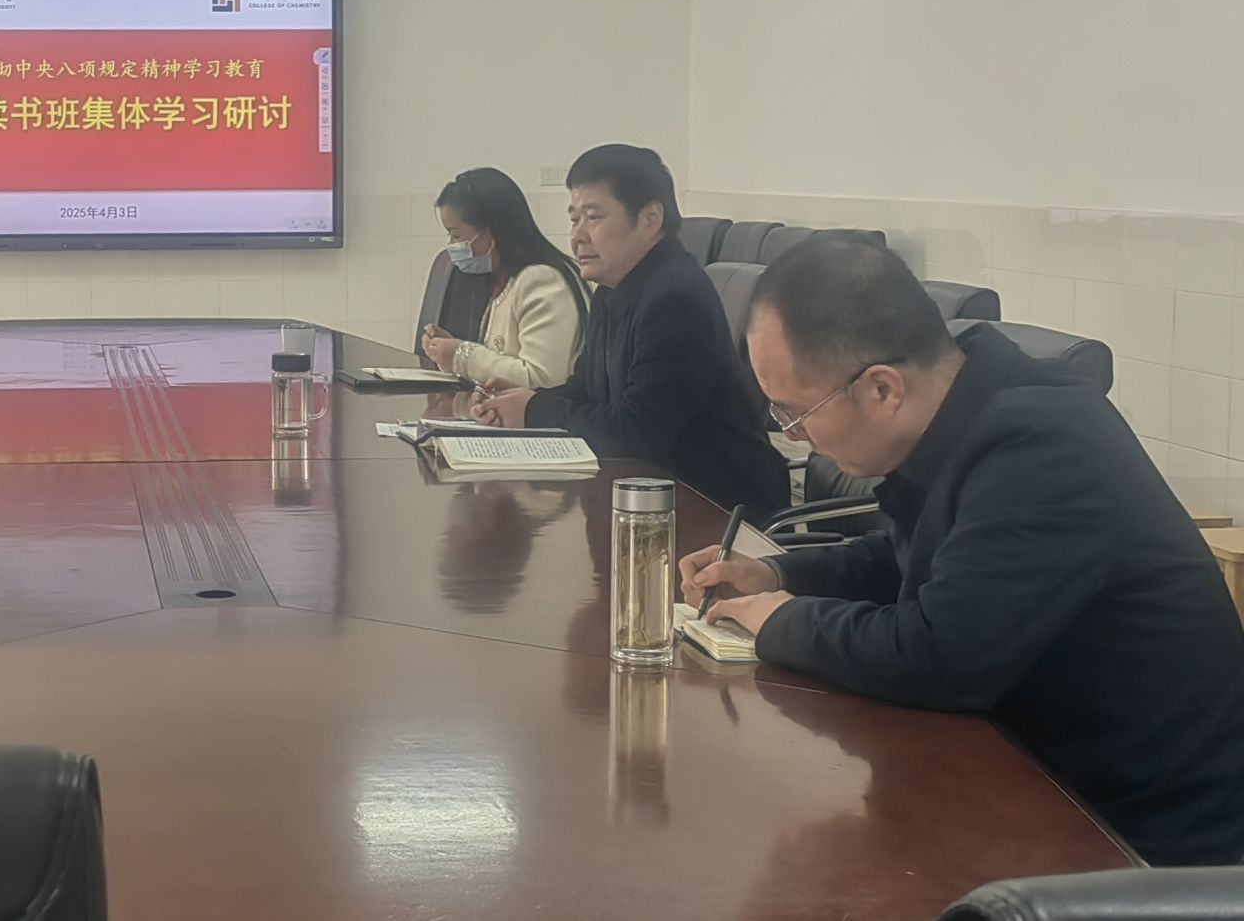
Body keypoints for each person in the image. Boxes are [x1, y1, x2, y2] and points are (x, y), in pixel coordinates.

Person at [681, 236, 1244, 866]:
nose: (796, 435)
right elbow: (916, 557)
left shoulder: (1040, 446)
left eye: (794, 414)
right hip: (1036, 783)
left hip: (1143, 841)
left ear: (882, 389)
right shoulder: (968, 403)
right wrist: (777, 572)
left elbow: (937, 657)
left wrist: (782, 620)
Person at [473, 144, 787, 514]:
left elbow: (637, 433)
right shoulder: (612, 288)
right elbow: (586, 390)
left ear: (650, 219)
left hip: (719, 508)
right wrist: (518, 400)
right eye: (574, 220)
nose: (578, 236)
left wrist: (534, 409)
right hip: (650, 496)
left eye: (594, 217)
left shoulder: (675, 299)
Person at [421, 167, 589, 389]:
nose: (452, 245)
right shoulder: (505, 280)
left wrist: (461, 355)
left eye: (457, 234)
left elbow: (541, 379)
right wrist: (449, 350)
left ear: (492, 230)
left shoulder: (541, 280)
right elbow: (502, 357)